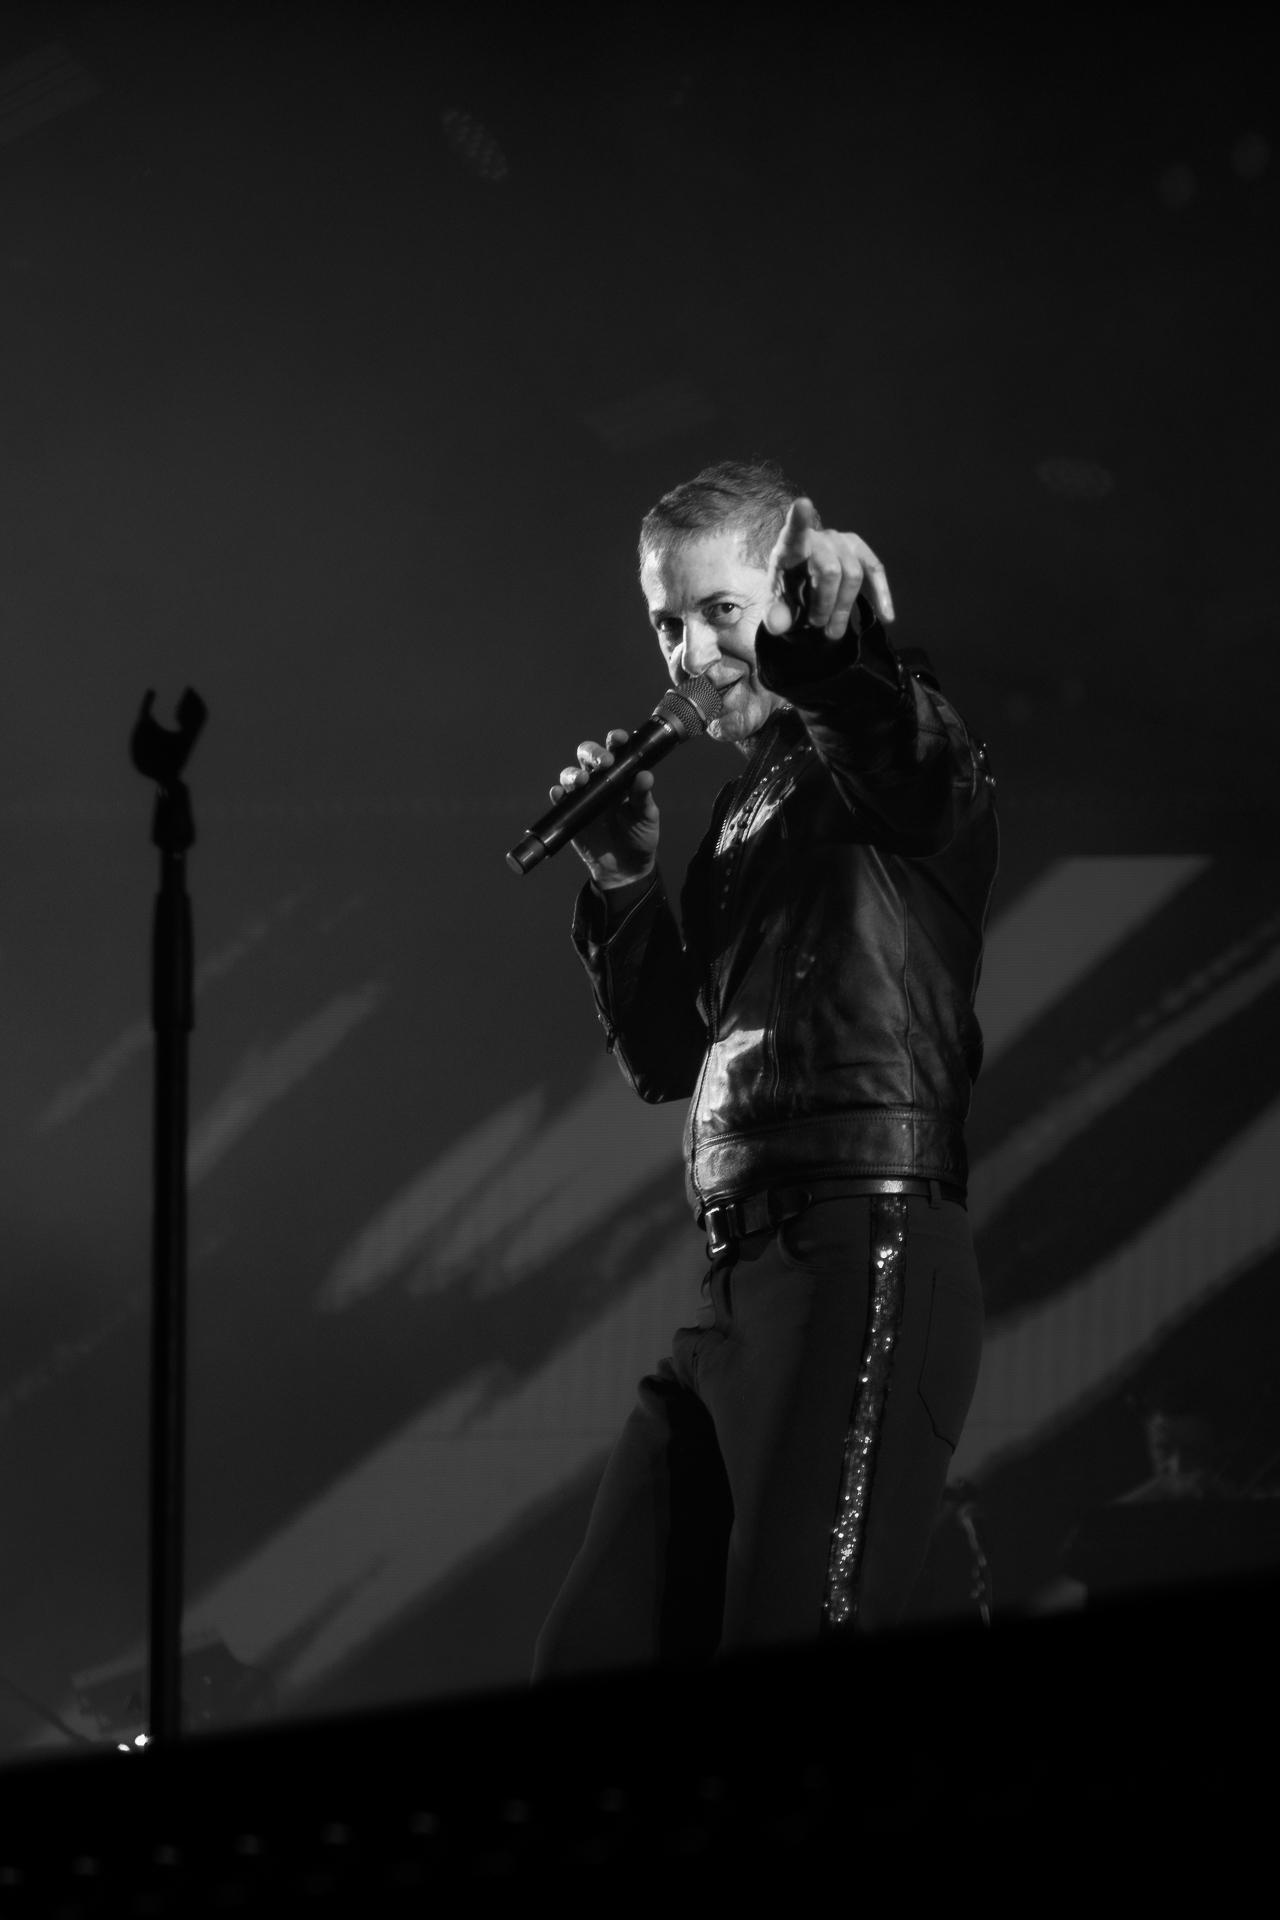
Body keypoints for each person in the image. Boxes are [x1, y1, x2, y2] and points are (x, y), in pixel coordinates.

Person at [532, 459, 998, 1674]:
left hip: (860, 1248)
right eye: (665, 623)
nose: (688, 654)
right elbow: (668, 1062)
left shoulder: (891, 729)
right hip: (737, 1278)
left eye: (719, 613)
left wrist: (826, 660)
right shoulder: (741, 816)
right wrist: (624, 882)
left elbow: (900, 753)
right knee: (595, 1646)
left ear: (788, 594)